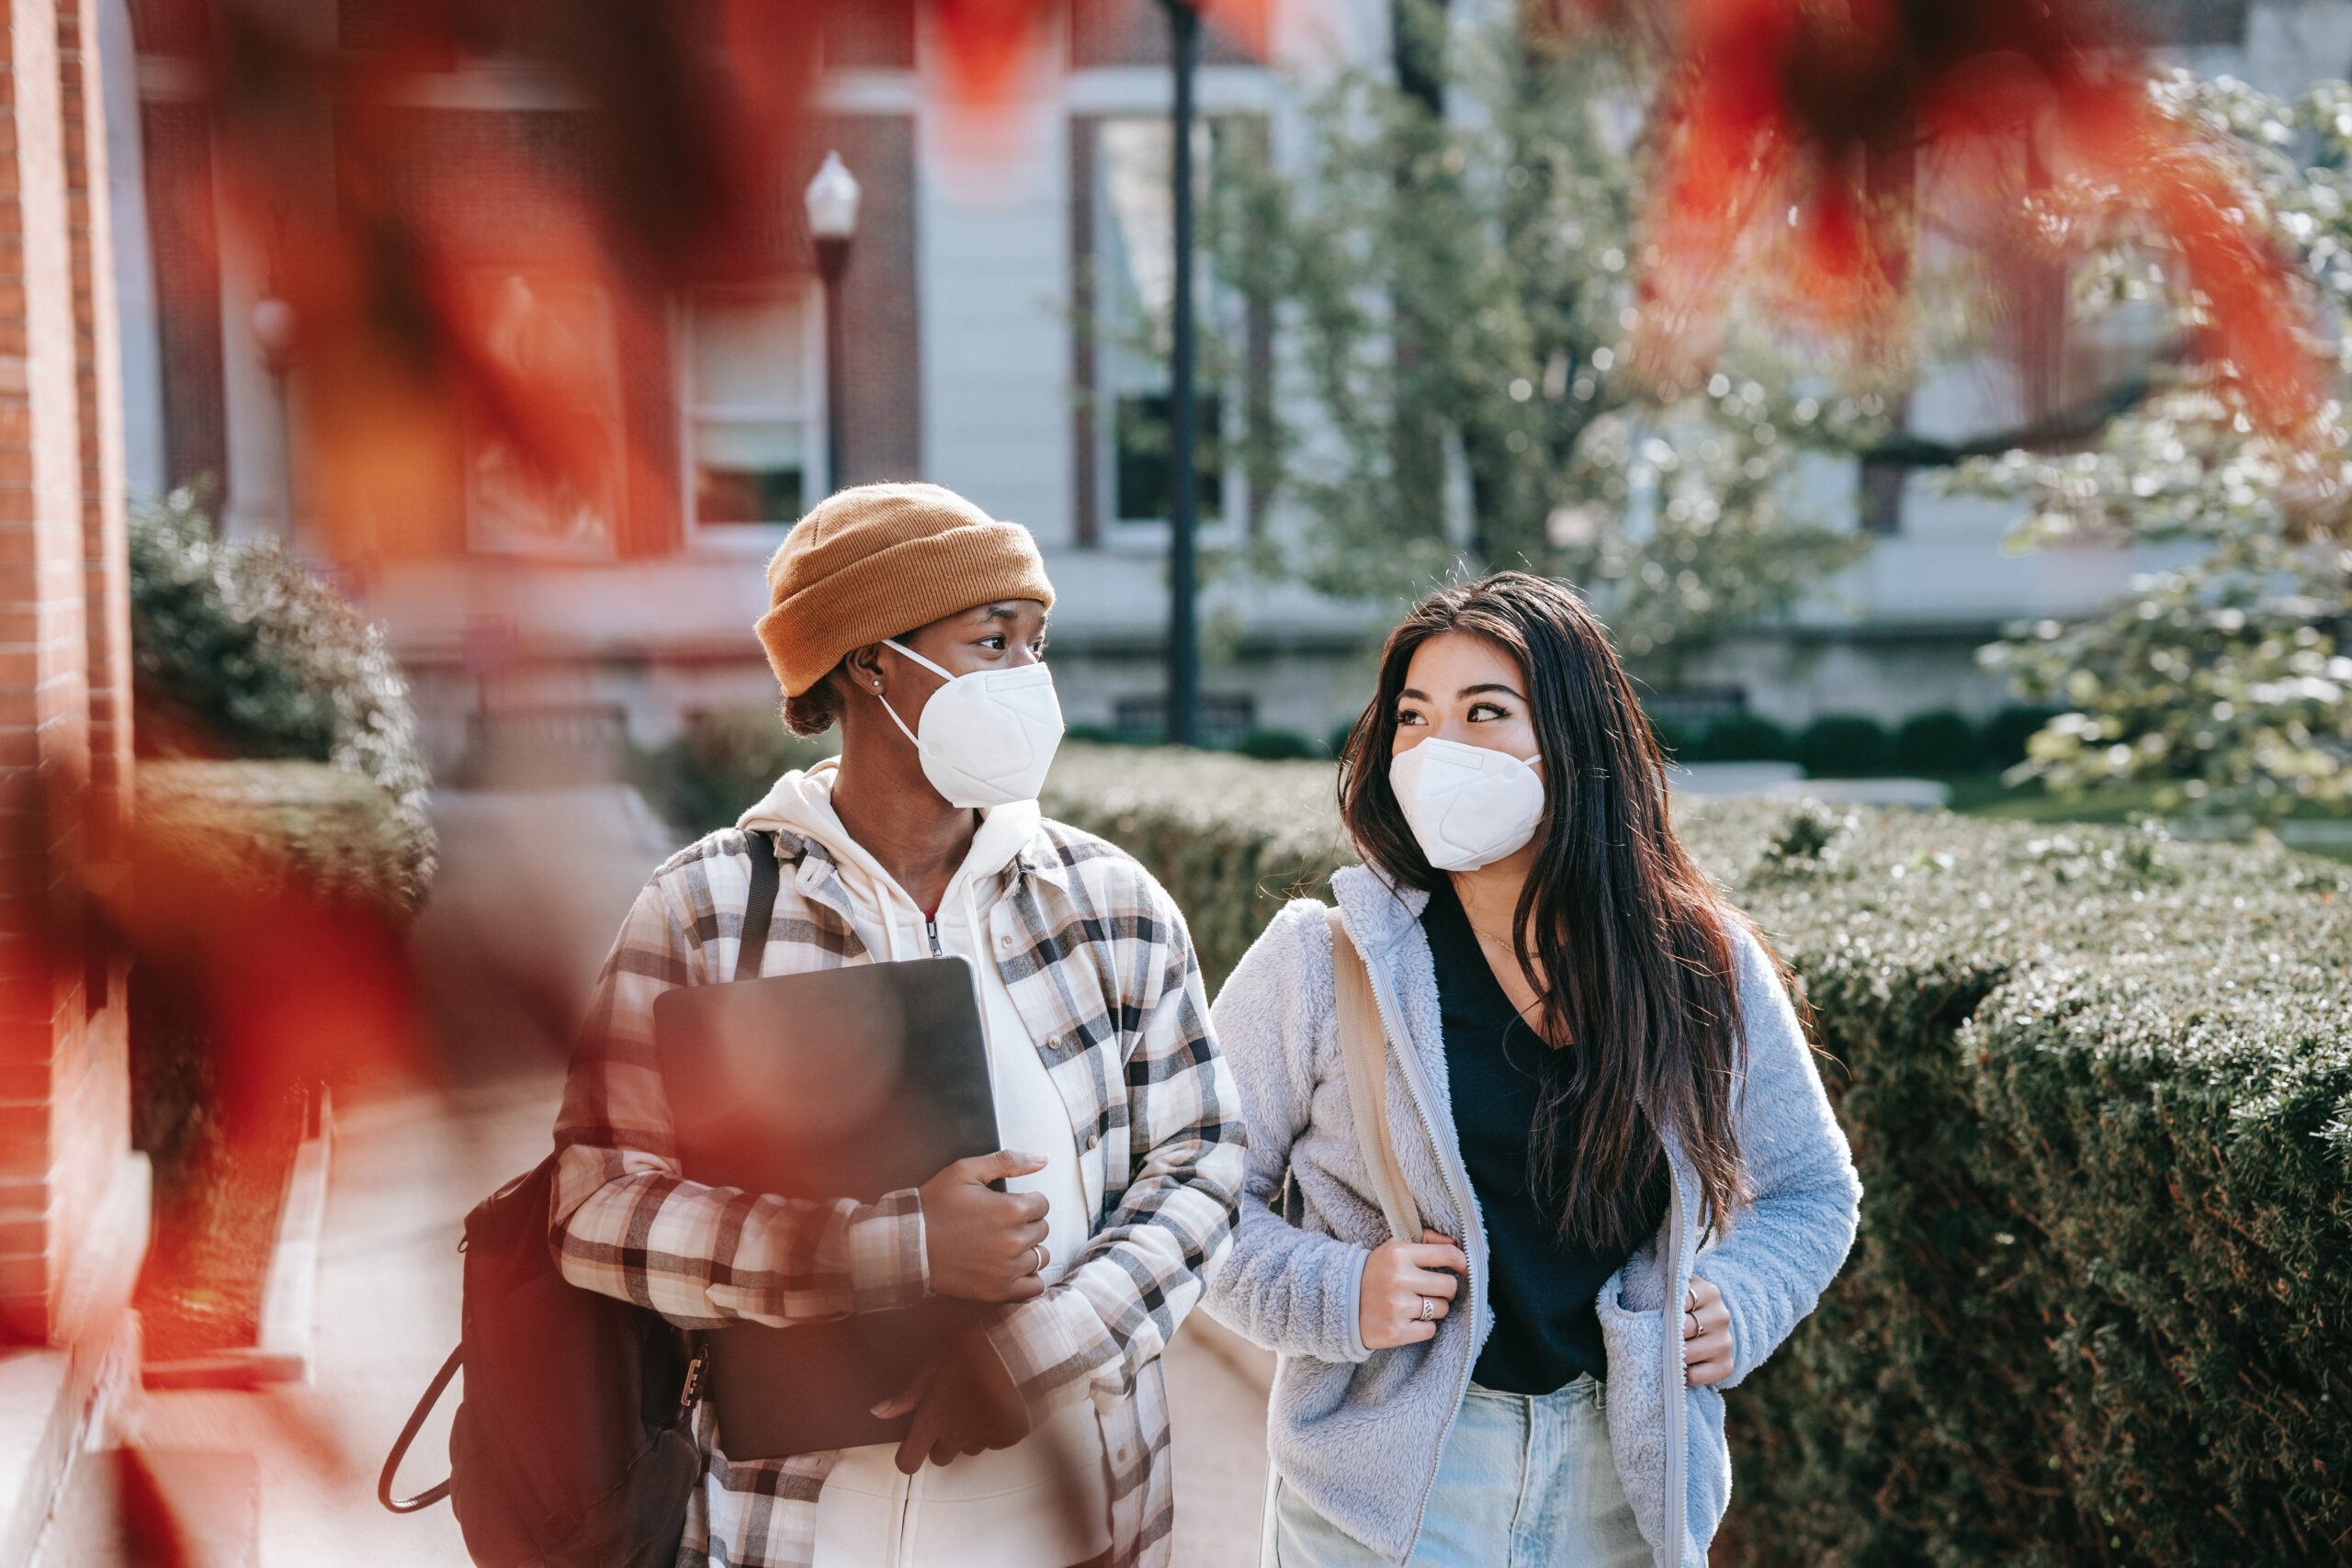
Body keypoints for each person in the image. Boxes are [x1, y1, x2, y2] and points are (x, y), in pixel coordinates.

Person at [550, 481, 1244, 1568]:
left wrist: (1038, 1350)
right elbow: (596, 1209)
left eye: (1035, 643)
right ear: (872, 660)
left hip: (1072, 1512)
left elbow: (1202, 1168)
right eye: (991, 641)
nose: (1029, 677)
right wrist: (896, 1246)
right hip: (798, 1525)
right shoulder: (704, 911)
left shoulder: (1112, 905)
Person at [1205, 571, 1860, 1568]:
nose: (1437, 753)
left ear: (1575, 741)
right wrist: (1340, 1291)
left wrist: (1745, 1299)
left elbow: (1809, 1191)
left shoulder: (1698, 964)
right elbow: (1189, 1191)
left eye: (1485, 713)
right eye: (1413, 720)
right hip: (1394, 1489)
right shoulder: (1319, 959)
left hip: (1624, 1476)